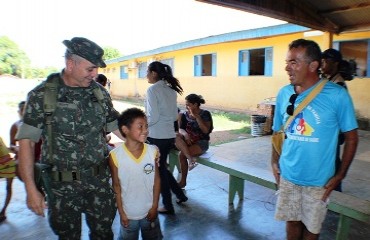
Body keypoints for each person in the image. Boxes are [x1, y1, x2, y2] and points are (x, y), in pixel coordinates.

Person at [17, 37, 124, 239]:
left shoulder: (99, 93)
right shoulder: (42, 95)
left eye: (97, 69)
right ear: (70, 64)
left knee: (103, 234)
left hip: (99, 183)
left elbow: (116, 126)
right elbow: (26, 143)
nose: (95, 74)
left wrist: (145, 144)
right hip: (61, 188)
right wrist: (31, 190)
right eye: (90, 69)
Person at [271, 39, 358, 240]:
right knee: (292, 222)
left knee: (312, 228)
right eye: (287, 61)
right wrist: (274, 160)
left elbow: (352, 138)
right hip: (288, 175)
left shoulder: (337, 95)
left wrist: (340, 175)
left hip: (319, 181)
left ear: (313, 65)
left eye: (294, 62)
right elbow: (277, 132)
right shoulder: (284, 93)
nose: (287, 67)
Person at [109, 108, 162, 240]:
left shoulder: (152, 151)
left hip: (150, 212)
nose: (145, 130)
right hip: (129, 215)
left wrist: (155, 206)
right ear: (125, 130)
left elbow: (157, 181)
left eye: (146, 126)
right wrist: (121, 212)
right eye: (140, 126)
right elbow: (116, 186)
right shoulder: (115, 156)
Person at [145, 61, 188, 214]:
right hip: (168, 135)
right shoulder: (171, 91)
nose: (146, 76)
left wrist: (142, 125)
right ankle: (180, 195)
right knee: (162, 168)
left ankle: (168, 206)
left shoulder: (152, 90)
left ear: (154, 73)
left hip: (156, 136)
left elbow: (154, 116)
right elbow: (172, 116)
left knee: (160, 172)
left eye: (147, 72)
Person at [321, 48, 348, 192]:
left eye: (326, 61)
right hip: (327, 131)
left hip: (334, 132)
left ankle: (336, 193)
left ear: (335, 64)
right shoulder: (327, 80)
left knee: (333, 163)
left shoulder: (339, 85)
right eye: (322, 61)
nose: (322, 64)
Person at [175, 94, 213, 188]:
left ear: (195, 104)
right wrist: (186, 135)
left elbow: (206, 131)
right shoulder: (183, 114)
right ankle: (191, 160)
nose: (186, 106)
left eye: (188, 105)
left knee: (182, 155)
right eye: (186, 104)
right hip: (187, 141)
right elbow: (180, 129)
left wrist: (197, 117)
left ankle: (183, 181)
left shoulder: (205, 114)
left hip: (201, 143)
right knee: (175, 136)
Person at [0, 137, 16, 223]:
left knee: (8, 188)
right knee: (8, 188)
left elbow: (7, 157)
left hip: (8, 166)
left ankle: (3, 212)